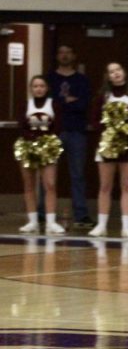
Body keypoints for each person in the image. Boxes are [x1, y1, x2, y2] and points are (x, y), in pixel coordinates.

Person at [89, 62, 128, 239]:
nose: (116, 73)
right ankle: (101, 225)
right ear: (108, 76)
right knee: (105, 186)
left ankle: (126, 226)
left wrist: (125, 126)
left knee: (127, 185)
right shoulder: (102, 96)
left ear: (124, 72)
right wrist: (110, 128)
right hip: (106, 146)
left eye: (118, 69)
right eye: (111, 71)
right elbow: (95, 121)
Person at [46, 44, 92, 229]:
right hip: (53, 132)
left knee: (78, 174)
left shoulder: (82, 80)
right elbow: (49, 104)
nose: (64, 55)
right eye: (61, 52)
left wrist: (62, 103)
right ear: (57, 56)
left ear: (74, 55)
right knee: (48, 176)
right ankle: (45, 213)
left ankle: (81, 214)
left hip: (76, 132)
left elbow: (83, 104)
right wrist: (67, 101)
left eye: (68, 52)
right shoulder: (49, 78)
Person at [17, 75, 65, 235]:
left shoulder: (54, 104)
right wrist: (31, 140)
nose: (38, 89)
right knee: (29, 185)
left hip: (48, 148)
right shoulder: (27, 104)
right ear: (31, 89)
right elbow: (21, 126)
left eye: (41, 86)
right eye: (35, 86)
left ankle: (51, 222)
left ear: (47, 88)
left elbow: (58, 127)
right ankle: (32, 221)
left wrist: (46, 142)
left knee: (50, 184)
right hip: (28, 148)